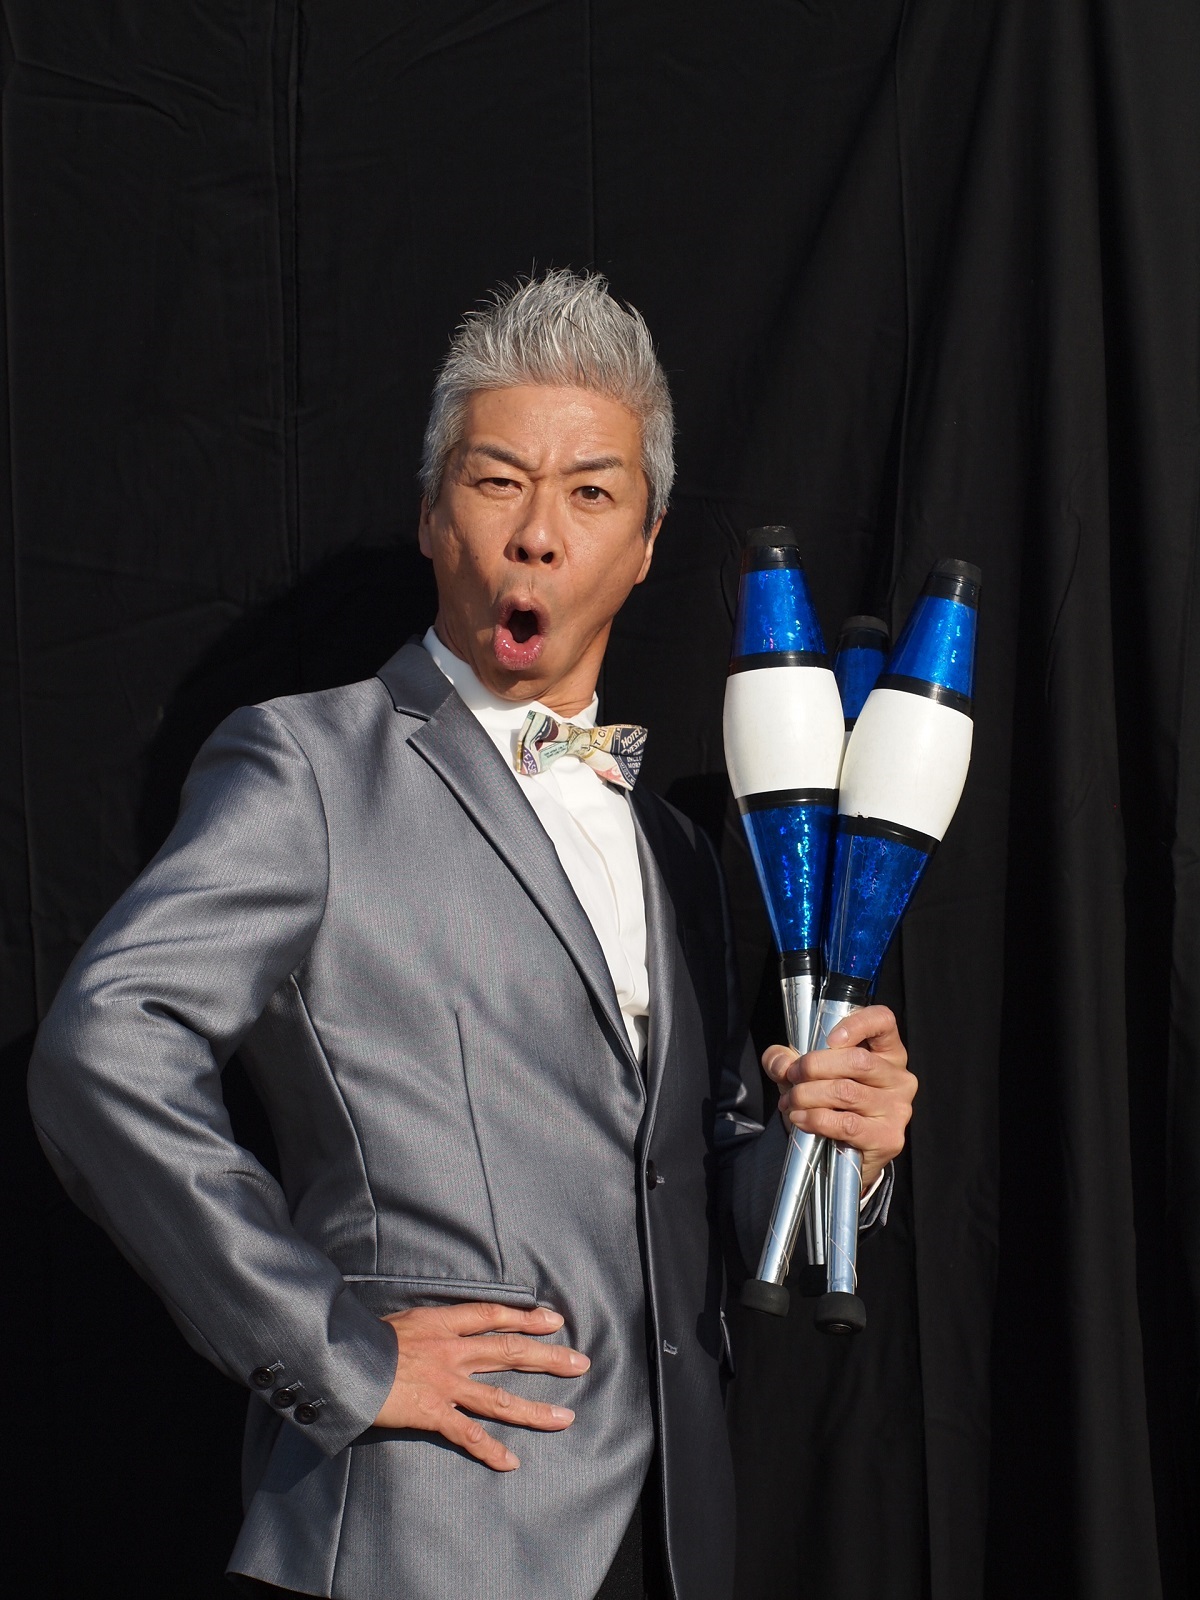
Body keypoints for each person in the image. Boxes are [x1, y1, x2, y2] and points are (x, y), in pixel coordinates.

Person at [27, 271, 916, 1600]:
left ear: (648, 543)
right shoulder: (308, 768)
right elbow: (105, 1048)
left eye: (591, 494)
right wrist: (331, 1349)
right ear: (434, 515)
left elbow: (697, 1189)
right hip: (421, 1533)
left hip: (669, 1542)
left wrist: (833, 1144)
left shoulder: (676, 846)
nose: (537, 535)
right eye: (499, 483)